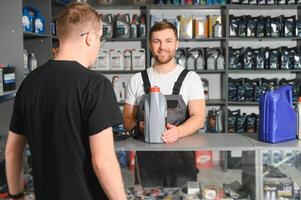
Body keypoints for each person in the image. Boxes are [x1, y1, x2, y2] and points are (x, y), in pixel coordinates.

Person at [5, 3, 126, 200]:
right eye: (99, 39)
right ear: (90, 38)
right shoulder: (96, 85)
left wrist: (16, 195)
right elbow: (103, 161)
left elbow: (12, 151)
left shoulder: (29, 83)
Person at [123, 21, 206, 187]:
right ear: (150, 45)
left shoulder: (191, 78)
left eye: (168, 41)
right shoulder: (137, 80)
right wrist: (138, 124)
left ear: (176, 44)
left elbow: (199, 118)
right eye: (157, 41)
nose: (163, 46)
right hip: (147, 161)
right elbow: (126, 120)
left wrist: (178, 132)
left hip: (182, 159)